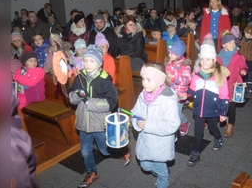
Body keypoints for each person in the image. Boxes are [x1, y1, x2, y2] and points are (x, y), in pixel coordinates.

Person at [68, 45, 118, 188]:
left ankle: (122, 149)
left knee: (104, 149)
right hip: (84, 123)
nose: (87, 64)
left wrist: (91, 103)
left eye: (92, 61)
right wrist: (78, 95)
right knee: (85, 151)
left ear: (99, 63)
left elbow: (111, 103)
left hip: (99, 123)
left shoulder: (104, 79)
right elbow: (71, 98)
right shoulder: (80, 77)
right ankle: (92, 172)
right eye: (85, 61)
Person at [130, 63, 180, 188]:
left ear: (159, 81)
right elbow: (135, 111)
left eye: (148, 80)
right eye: (143, 79)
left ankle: (163, 181)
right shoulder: (144, 94)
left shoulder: (167, 100)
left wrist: (148, 125)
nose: (144, 83)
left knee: (158, 166)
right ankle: (162, 172)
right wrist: (137, 121)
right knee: (145, 165)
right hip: (146, 140)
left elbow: (172, 125)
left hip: (160, 144)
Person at [186, 35, 229, 167]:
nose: (204, 61)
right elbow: (193, 89)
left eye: (208, 59)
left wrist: (223, 112)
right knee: (198, 132)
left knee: (212, 127)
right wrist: (185, 95)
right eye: (202, 58)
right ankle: (195, 153)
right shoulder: (197, 74)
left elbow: (224, 95)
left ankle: (218, 138)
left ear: (214, 60)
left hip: (213, 109)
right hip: (199, 109)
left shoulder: (219, 75)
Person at [216, 32, 247, 137]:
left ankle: (231, 126)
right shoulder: (218, 57)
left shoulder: (238, 56)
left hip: (234, 85)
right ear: (223, 45)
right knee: (223, 104)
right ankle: (225, 118)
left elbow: (244, 66)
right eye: (229, 43)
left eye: (233, 42)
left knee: (232, 107)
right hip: (222, 86)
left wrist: (243, 70)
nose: (232, 45)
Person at [165, 40, 192, 136]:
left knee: (176, 112)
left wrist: (173, 77)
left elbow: (186, 80)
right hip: (170, 91)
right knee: (169, 110)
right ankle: (172, 125)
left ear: (179, 54)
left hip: (181, 93)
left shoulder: (186, 67)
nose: (169, 55)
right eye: (169, 53)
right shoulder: (170, 64)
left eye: (172, 54)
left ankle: (184, 122)